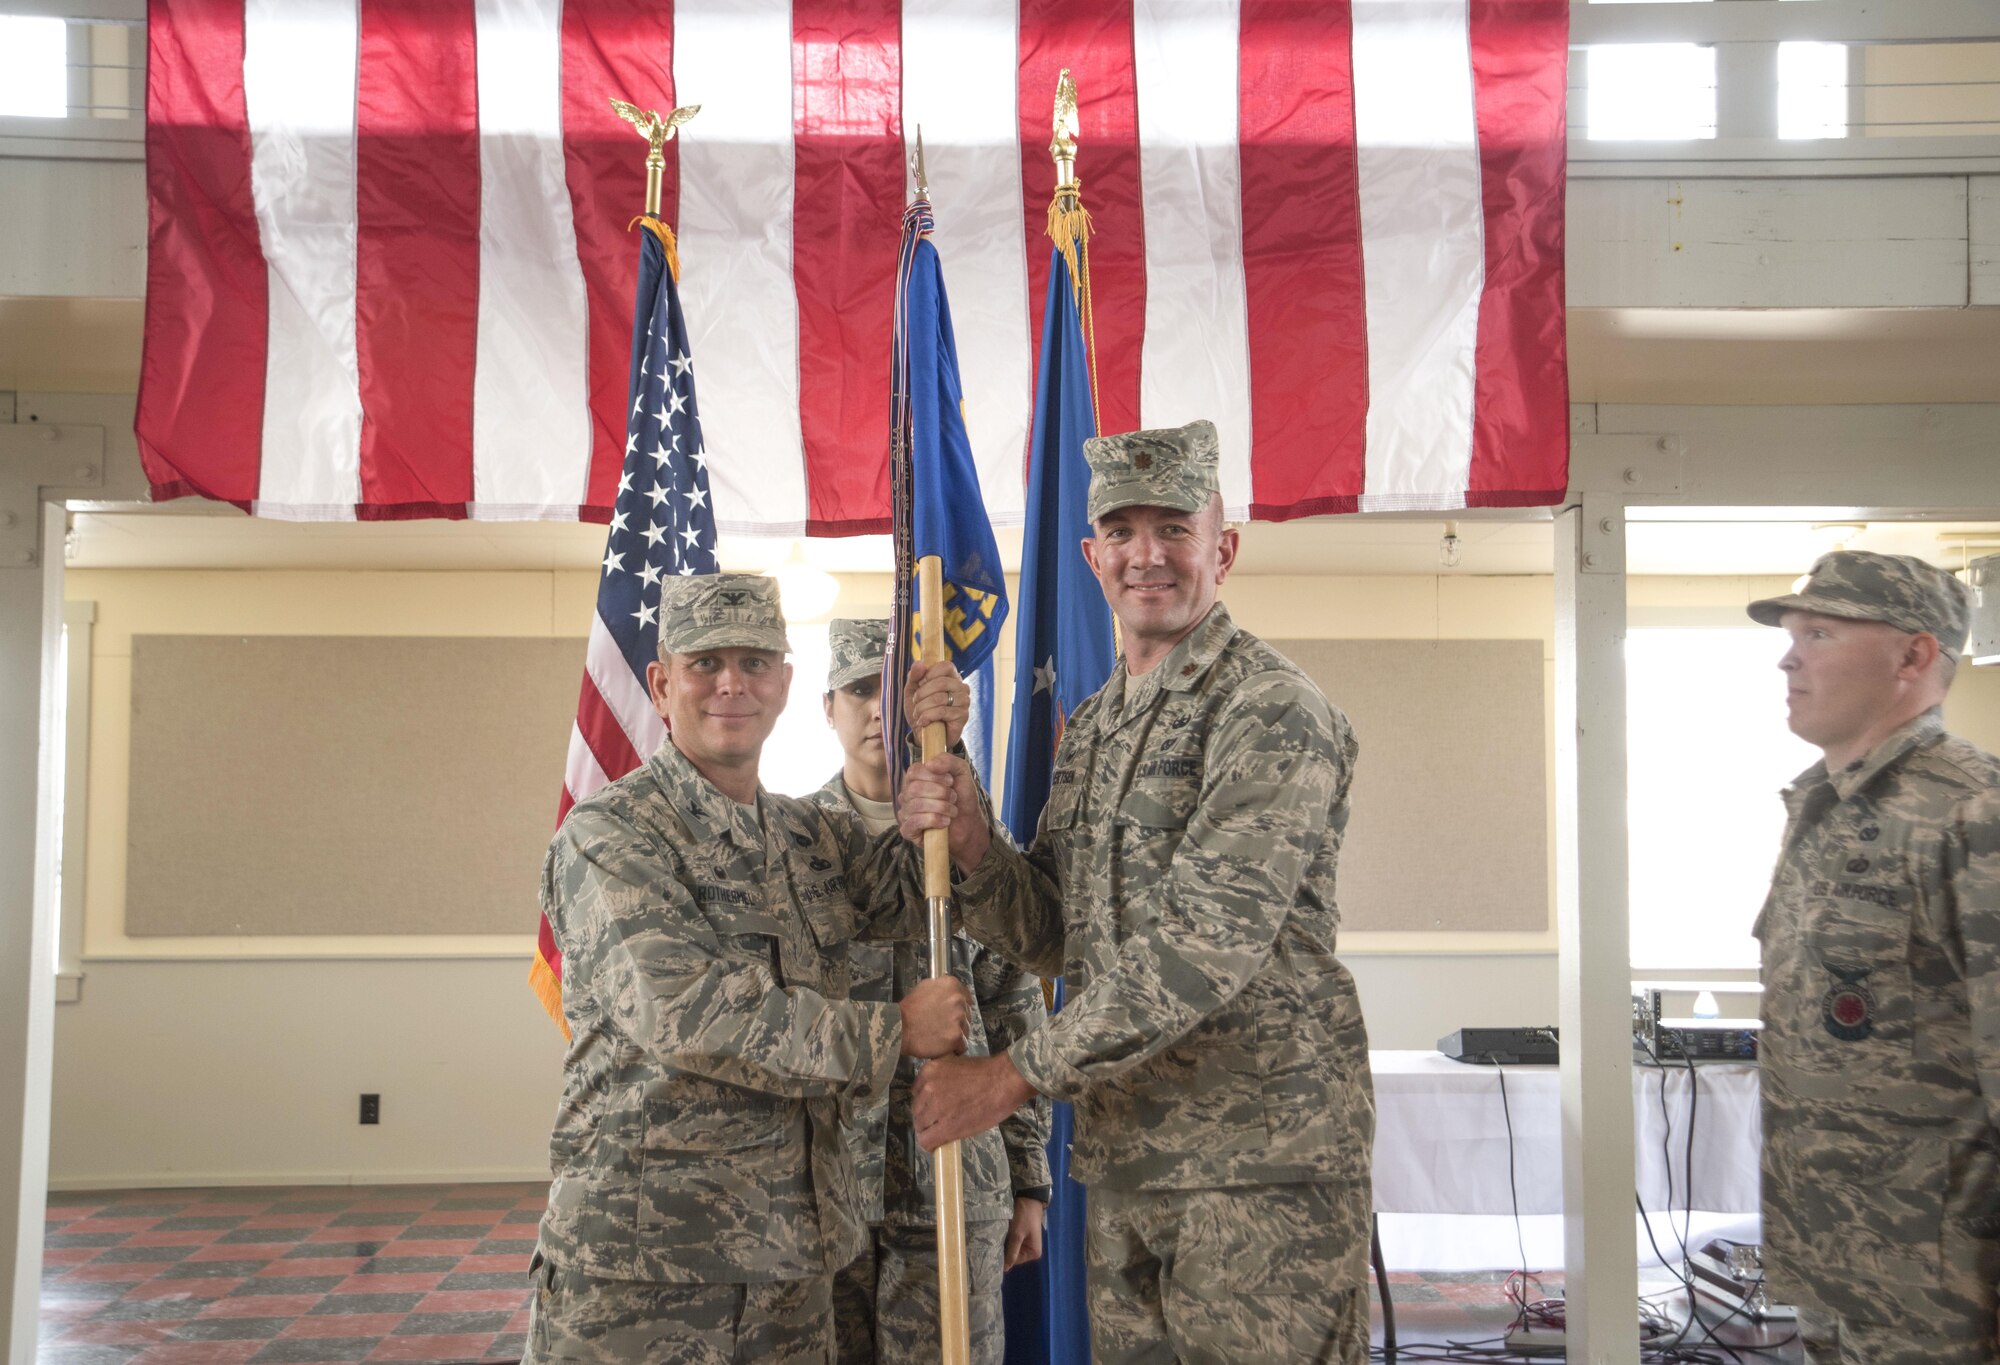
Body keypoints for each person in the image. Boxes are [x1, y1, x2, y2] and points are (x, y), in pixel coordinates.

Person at [898, 419, 1377, 1364]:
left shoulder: (1268, 710)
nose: (1145, 554)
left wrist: (1006, 1078)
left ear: (1223, 548)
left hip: (1257, 1171)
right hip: (1129, 1162)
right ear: (1092, 554)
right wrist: (974, 839)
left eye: (1173, 527)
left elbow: (1203, 948)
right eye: (1121, 530)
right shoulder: (1102, 726)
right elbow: (1059, 933)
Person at [525, 573, 975, 1365]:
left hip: (791, 1267)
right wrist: (892, 1028)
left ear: (785, 685)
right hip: (648, 1272)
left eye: (755, 661)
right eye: (706, 662)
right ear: (663, 685)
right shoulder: (613, 836)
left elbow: (931, 888)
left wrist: (941, 743)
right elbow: (688, 1013)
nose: (732, 682)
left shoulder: (811, 838)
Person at [1746, 550, 2000, 1365]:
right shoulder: (1822, 807)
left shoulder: (1970, 811)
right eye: (1791, 633)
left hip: (1941, 1287)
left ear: (1914, 655)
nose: (1789, 655)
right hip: (1837, 1260)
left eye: (1819, 632)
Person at [811, 617, 1053, 1364]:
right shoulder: (792, 841)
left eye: (895, 691)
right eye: (860, 689)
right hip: (826, 1189)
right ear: (828, 707)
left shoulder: (978, 840)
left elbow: (1017, 1008)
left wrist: (1029, 1181)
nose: (879, 709)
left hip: (955, 1180)